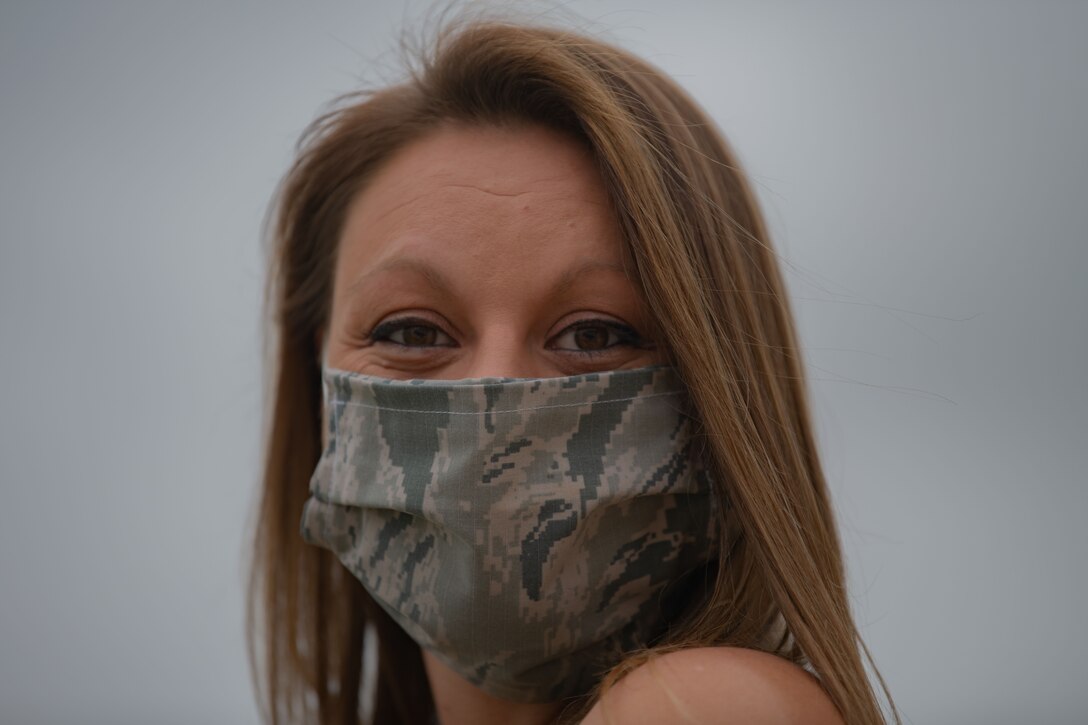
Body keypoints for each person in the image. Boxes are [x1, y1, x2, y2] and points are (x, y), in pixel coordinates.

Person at [248, 16, 899, 725]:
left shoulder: (698, 708)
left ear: (718, 393)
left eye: (593, 333)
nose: (491, 393)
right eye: (410, 331)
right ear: (318, 379)